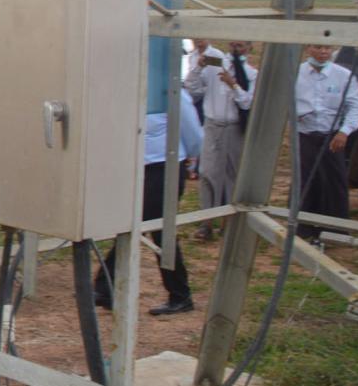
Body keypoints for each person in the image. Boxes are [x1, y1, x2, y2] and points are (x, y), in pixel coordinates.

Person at [90, 90, 204, 316]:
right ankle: (106, 288)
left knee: (159, 231)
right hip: (137, 168)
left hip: (164, 169)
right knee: (133, 226)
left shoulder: (172, 92)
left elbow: (194, 135)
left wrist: (190, 160)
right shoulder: (133, 90)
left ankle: (179, 295)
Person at [184, 40, 256, 240]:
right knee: (207, 172)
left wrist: (234, 85)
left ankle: (228, 222)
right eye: (233, 45)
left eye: (241, 46)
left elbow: (248, 103)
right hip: (213, 125)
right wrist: (198, 68)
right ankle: (206, 222)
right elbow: (192, 89)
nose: (236, 50)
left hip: (234, 128)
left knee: (232, 175)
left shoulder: (251, 74)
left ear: (249, 48)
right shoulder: (213, 68)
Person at [295, 45, 358, 243]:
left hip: (332, 136)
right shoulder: (296, 74)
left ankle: (336, 230)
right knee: (307, 180)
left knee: (335, 182)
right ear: (308, 48)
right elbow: (283, 101)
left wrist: (344, 131)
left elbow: (356, 105)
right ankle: (305, 228)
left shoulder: (343, 75)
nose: (323, 52)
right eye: (318, 47)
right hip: (305, 135)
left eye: (327, 48)